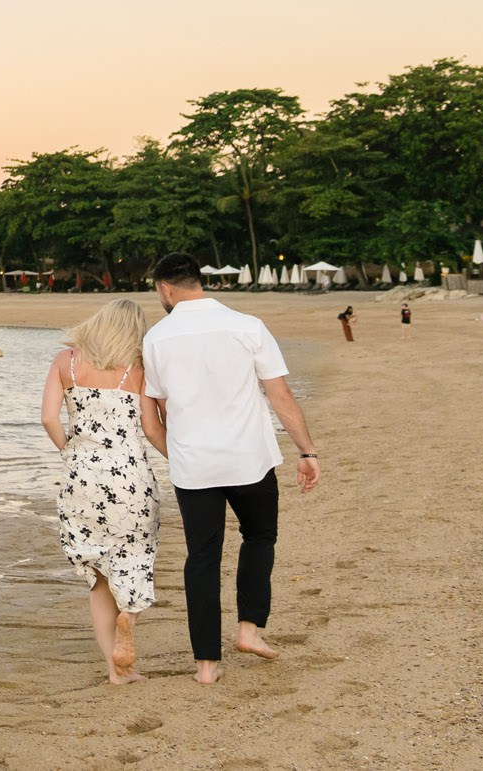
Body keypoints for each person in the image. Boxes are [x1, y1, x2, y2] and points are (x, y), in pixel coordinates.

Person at [142, 253, 322, 686]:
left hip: (194, 467)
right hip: (250, 459)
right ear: (196, 281)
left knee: (202, 558)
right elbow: (280, 396)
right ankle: (248, 629)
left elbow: (164, 411)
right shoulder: (247, 325)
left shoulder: (157, 338)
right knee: (259, 537)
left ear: (165, 288)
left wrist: (182, 455)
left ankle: (206, 665)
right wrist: (307, 451)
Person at [40, 298, 162, 684]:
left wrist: (72, 455)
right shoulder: (137, 370)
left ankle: (115, 671)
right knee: (136, 557)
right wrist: (184, 458)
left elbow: (47, 418)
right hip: (131, 477)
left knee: (98, 579)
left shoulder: (66, 362)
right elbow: (152, 428)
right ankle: (131, 614)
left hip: (82, 480)